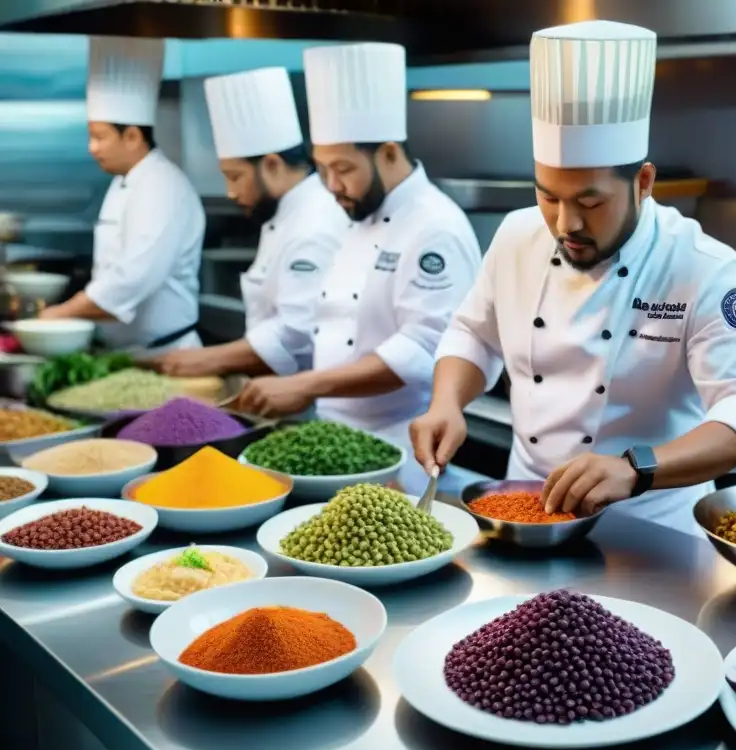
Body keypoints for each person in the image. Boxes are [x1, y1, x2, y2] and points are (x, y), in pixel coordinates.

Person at [410, 20, 736, 533]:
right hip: (525, 514)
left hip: (653, 527)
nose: (567, 224)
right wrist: (446, 403)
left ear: (644, 182)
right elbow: (473, 334)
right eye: (548, 196)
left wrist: (636, 469)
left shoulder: (703, 266)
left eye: (591, 201)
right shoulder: (517, 234)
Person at [234, 43, 481, 493]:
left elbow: (423, 350)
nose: (331, 186)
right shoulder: (357, 217)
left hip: (397, 447)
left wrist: (307, 384)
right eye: (323, 169)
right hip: (333, 436)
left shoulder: (435, 227)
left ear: (388, 152)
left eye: (343, 168)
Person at [153, 67, 348, 378]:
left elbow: (297, 333)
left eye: (235, 177)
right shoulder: (286, 215)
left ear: (271, 164)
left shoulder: (314, 224)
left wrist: (211, 360)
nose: (231, 192)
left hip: (303, 398)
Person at [41, 37, 205, 355]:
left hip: (165, 355)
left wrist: (61, 314)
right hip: (127, 353)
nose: (92, 148)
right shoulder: (123, 182)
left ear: (132, 136)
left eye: (99, 137)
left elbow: (132, 279)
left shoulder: (162, 186)